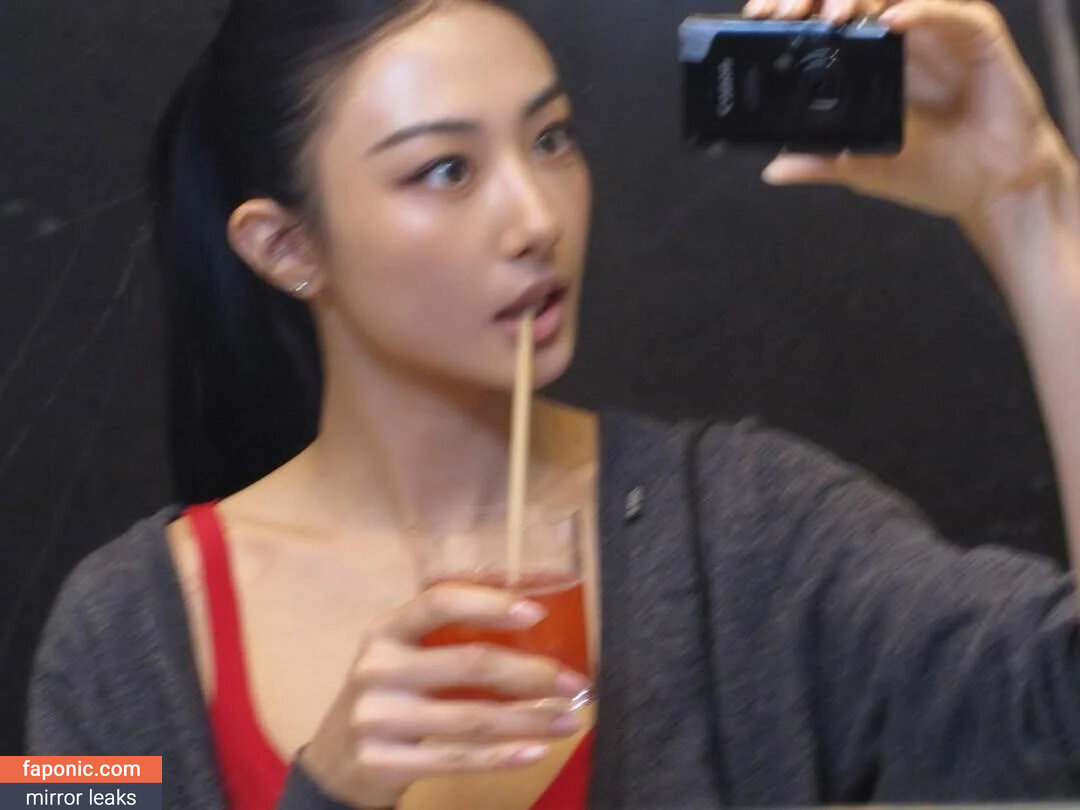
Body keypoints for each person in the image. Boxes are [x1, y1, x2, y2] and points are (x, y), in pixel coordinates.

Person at [25, 0, 1080, 807]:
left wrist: (1030, 206)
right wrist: (332, 790)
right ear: (285, 247)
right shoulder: (119, 630)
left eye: (550, 140)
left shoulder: (747, 535)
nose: (536, 217)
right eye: (446, 169)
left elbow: (1057, 710)